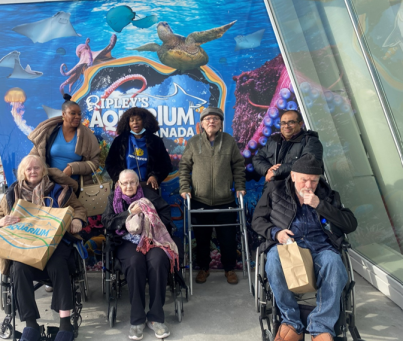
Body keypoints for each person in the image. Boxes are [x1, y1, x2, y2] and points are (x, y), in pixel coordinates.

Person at [251, 154, 357, 341]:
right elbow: (257, 220)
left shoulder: (327, 195)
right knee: (274, 259)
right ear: (293, 176)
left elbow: (350, 224)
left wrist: (320, 205)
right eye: (304, 180)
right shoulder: (275, 190)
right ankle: (292, 322)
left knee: (334, 262)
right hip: (288, 246)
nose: (308, 186)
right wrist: (276, 233)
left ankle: (321, 326)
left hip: (320, 247)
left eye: (313, 181)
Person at [0, 155, 87, 341]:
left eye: (36, 168)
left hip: (54, 243)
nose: (33, 171)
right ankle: (31, 325)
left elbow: (79, 208)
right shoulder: (12, 194)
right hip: (25, 245)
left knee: (58, 265)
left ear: (43, 170)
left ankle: (65, 325)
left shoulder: (59, 190)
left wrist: (76, 219)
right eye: (29, 169)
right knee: (18, 268)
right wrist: (1, 222)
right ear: (23, 173)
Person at [102, 170, 178, 340]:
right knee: (135, 263)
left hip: (152, 239)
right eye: (125, 183)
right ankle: (137, 319)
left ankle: (156, 318)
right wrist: (130, 213)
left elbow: (166, 215)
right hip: (125, 242)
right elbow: (107, 222)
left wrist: (151, 223)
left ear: (138, 183)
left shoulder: (150, 195)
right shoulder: (113, 198)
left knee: (158, 261)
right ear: (119, 185)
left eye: (132, 182)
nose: (128, 186)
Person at [179, 107, 246, 285]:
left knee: (228, 238)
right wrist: (185, 188)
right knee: (201, 238)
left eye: (215, 118)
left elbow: (238, 165)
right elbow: (184, 167)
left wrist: (240, 187)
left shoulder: (229, 141)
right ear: (202, 123)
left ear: (220, 123)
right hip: (200, 200)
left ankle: (229, 269)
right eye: (208, 119)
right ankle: (203, 268)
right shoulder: (193, 143)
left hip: (226, 200)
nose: (211, 121)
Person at [28, 93, 100, 192]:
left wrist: (73, 168)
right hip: (49, 185)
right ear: (63, 114)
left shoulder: (87, 136)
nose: (77, 117)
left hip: (75, 188)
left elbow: (95, 163)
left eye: (79, 114)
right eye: (73, 113)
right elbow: (34, 157)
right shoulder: (50, 132)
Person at [105, 107, 172, 190]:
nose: (135, 123)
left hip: (147, 186)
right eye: (132, 120)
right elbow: (110, 163)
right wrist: (118, 178)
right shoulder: (119, 141)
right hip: (125, 187)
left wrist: (154, 176)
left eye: (138, 119)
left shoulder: (156, 141)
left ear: (145, 121)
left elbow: (165, 164)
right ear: (127, 123)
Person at [252, 109, 323, 185]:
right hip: (272, 190)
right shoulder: (273, 141)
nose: (286, 126)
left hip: (299, 191)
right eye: (283, 123)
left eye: (291, 122)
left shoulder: (311, 141)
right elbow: (257, 159)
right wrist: (268, 170)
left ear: (300, 124)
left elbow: (309, 162)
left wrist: (276, 171)